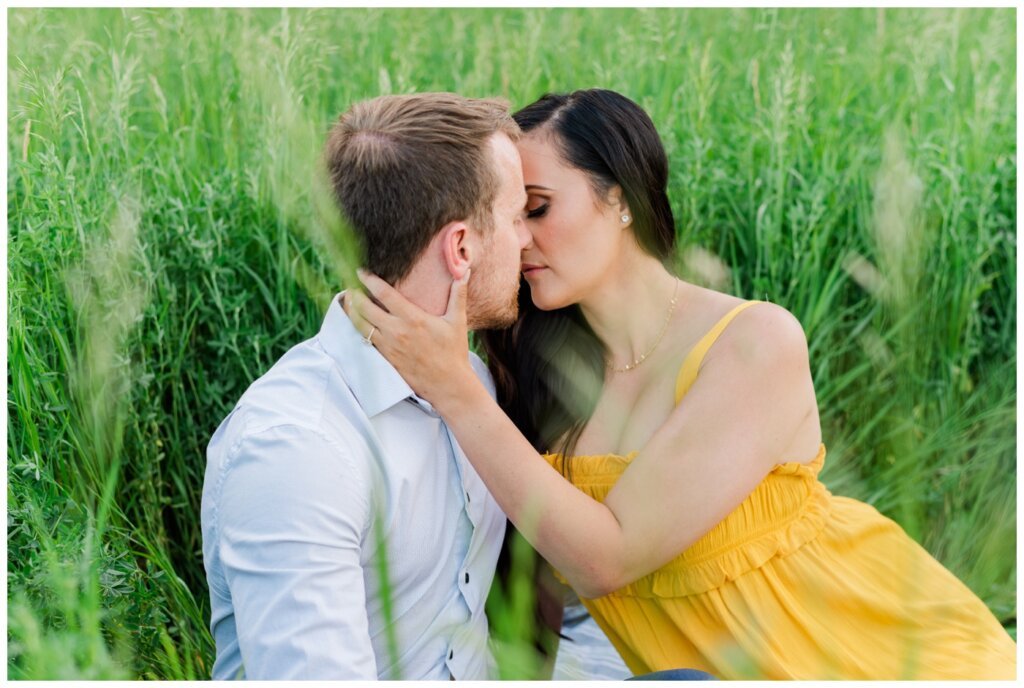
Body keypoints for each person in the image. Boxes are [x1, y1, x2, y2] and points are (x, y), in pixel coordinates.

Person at [347, 88, 1017, 680]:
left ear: (620, 199)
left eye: (540, 208)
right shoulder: (537, 359)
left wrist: (452, 388)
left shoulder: (756, 343)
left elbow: (604, 560)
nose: (517, 240)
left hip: (874, 658)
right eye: (513, 214)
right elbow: (529, 580)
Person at [200, 92, 531, 679]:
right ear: (461, 248)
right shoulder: (298, 448)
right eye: (515, 216)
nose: (527, 240)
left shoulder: (467, 382)